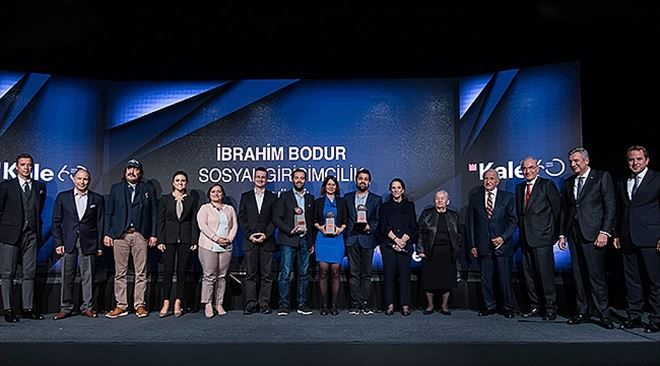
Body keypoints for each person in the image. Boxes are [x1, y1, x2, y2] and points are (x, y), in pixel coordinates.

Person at [558, 147, 616, 329]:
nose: (572, 164)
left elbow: (610, 206)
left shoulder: (601, 177)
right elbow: (565, 210)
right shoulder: (568, 182)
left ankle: (603, 314)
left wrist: (605, 232)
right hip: (574, 233)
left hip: (594, 234)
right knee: (578, 274)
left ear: (586, 161)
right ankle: (582, 311)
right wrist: (562, 234)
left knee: (596, 275)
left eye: (576, 161)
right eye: (571, 162)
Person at [104, 158, 159, 319]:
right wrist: (108, 233)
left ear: (140, 172)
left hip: (140, 235)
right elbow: (109, 212)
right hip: (120, 235)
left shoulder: (148, 189)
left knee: (141, 272)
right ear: (125, 171)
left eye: (135, 169)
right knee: (120, 272)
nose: (132, 171)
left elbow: (154, 213)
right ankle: (121, 305)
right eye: (129, 168)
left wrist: (154, 234)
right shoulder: (116, 189)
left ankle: (139, 305)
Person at [613, 145, 660, 333]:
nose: (635, 163)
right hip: (627, 236)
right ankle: (635, 316)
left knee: (655, 281)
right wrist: (616, 233)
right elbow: (619, 209)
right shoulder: (622, 181)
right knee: (632, 280)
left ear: (647, 160)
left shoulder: (657, 179)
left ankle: (656, 318)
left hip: (651, 237)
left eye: (639, 159)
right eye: (631, 159)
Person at [52, 167, 104, 320]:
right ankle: (66, 307)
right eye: (80, 178)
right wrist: (58, 243)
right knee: (67, 275)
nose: (82, 182)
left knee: (88, 276)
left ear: (89, 181)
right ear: (73, 179)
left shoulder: (97, 199)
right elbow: (56, 222)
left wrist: (99, 246)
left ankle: (87, 307)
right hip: (68, 242)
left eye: (85, 179)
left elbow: (101, 223)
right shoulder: (63, 197)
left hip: (88, 242)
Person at [0, 153, 46, 322]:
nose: (26, 167)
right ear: (16, 167)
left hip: (31, 235)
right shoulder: (6, 186)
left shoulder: (39, 186)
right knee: (7, 273)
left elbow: (37, 209)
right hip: (10, 235)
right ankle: (9, 310)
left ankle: (27, 308)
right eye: (23, 164)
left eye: (29, 165)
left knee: (29, 273)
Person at [467, 168, 517, 318]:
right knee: (486, 279)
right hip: (483, 245)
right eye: (486, 178)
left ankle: (507, 307)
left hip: (503, 245)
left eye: (491, 178)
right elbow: (471, 223)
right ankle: (490, 306)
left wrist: (503, 238)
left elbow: (513, 220)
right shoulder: (475, 198)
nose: (488, 181)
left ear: (497, 181)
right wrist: (473, 245)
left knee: (504, 279)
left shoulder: (508, 197)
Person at [516, 157, 561, 320]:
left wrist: (555, 235)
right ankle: (535, 306)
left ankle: (550, 308)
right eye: (525, 169)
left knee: (545, 275)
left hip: (543, 239)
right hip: (525, 239)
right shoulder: (520, 188)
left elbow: (557, 211)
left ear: (537, 168)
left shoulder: (547, 185)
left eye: (531, 168)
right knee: (529, 276)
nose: (528, 171)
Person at [156, 171, 199, 318]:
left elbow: (193, 220)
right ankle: (166, 302)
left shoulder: (191, 200)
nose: (180, 183)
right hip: (169, 239)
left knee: (182, 272)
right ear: (173, 183)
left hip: (186, 240)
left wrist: (194, 240)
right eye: (177, 180)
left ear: (186, 183)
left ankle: (178, 303)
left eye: (183, 181)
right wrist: (161, 240)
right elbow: (160, 221)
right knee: (168, 272)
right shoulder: (165, 199)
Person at [273, 169, 315, 316]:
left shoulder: (310, 198)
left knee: (303, 274)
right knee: (285, 273)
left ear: (305, 180)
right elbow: (276, 218)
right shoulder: (284, 197)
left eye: (302, 178)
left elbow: (311, 221)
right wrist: (290, 230)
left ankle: (302, 304)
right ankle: (283, 305)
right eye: (296, 178)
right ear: (292, 179)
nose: (299, 180)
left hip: (304, 240)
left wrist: (311, 242)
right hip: (288, 239)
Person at [417, 190, 463, 316]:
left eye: (442, 198)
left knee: (447, 280)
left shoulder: (454, 215)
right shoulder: (427, 214)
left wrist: (457, 248)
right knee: (429, 281)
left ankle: (444, 306)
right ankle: (430, 305)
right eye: (437, 198)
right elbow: (420, 233)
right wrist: (420, 250)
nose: (440, 201)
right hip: (430, 252)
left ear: (447, 201)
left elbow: (459, 234)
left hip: (448, 253)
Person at [238, 167, 277, 314]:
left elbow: (275, 219)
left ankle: (264, 304)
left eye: (263, 177)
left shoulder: (273, 197)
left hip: (267, 242)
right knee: (251, 275)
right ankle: (251, 304)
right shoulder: (245, 196)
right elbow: (242, 217)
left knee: (267, 275)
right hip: (250, 242)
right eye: (258, 177)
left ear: (266, 180)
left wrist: (265, 235)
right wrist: (250, 235)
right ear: (254, 178)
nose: (261, 179)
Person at [197, 183, 237, 318]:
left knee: (222, 276)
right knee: (209, 276)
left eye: (219, 191)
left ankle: (218, 303)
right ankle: (207, 303)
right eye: (213, 191)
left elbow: (234, 226)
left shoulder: (229, 209)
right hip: (209, 246)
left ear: (223, 194)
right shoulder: (205, 208)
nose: (216, 193)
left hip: (226, 246)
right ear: (209, 194)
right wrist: (216, 238)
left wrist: (230, 238)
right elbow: (203, 226)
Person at [344, 169, 381, 315]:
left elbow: (378, 220)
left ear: (369, 182)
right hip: (352, 238)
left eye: (366, 179)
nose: (363, 181)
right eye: (360, 178)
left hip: (367, 239)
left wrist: (369, 227)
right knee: (353, 274)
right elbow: (344, 218)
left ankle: (364, 302)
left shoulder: (376, 199)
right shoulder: (347, 198)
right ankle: (354, 303)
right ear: (356, 181)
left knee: (366, 274)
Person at [379, 178, 418, 316]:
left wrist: (402, 241)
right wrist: (395, 240)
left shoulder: (410, 206)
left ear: (403, 190)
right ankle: (389, 305)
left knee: (405, 276)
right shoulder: (384, 207)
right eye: (393, 188)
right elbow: (383, 227)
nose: (396, 190)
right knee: (389, 276)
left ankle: (405, 305)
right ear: (390, 190)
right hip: (389, 245)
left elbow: (413, 227)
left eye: (398, 187)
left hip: (405, 246)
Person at [313, 175, 348, 315]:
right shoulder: (319, 202)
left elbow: (345, 219)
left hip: (337, 239)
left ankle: (334, 305)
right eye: (329, 184)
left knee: (335, 271)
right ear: (325, 187)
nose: (331, 187)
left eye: (333, 184)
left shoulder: (342, 201)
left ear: (336, 187)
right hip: (322, 239)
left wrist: (341, 229)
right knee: (323, 271)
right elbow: (314, 219)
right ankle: (324, 305)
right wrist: (320, 227)